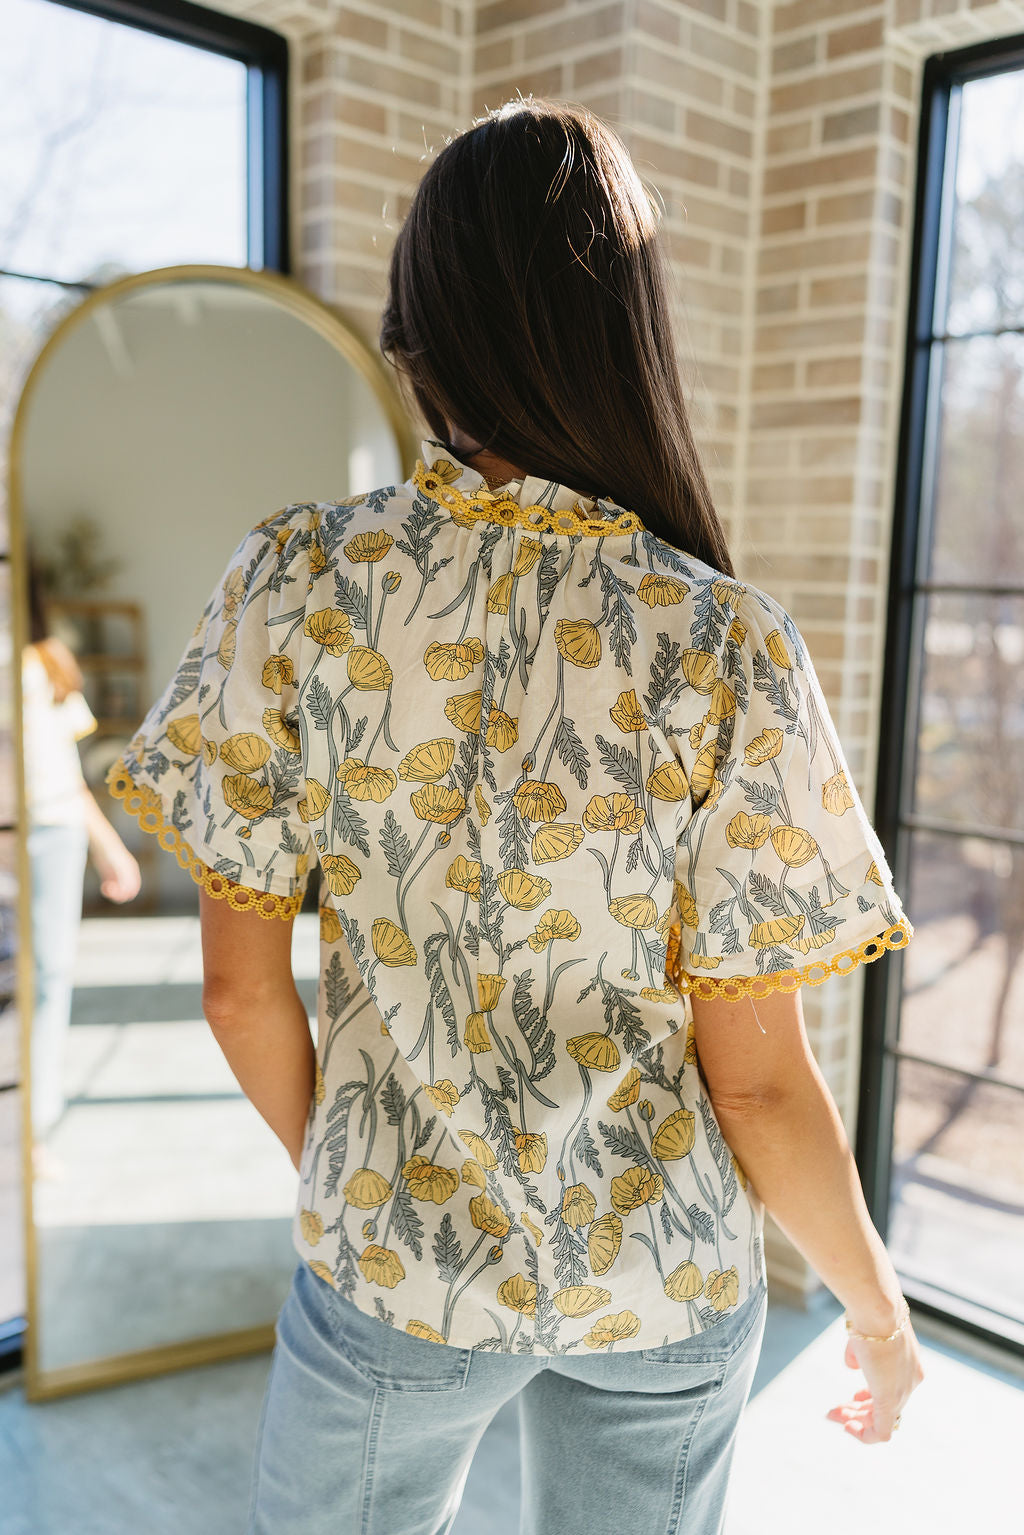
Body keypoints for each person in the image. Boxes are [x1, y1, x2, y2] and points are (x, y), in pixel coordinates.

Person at [108, 99, 925, 1535]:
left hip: (396, 1273)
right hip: (663, 1279)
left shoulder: (295, 581)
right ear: (630, 337)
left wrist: (377, 1182)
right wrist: (878, 1314)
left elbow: (241, 994)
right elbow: (763, 1088)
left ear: (417, 338)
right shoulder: (724, 641)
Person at [23, 571, 141, 1171]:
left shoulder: (49, 662)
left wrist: (109, 846)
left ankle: (32, 1129)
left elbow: (66, 775)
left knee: (50, 979)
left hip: (54, 833)